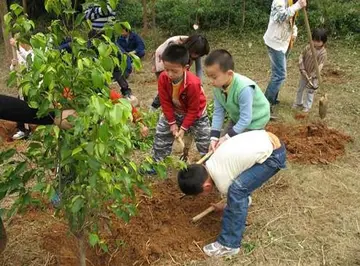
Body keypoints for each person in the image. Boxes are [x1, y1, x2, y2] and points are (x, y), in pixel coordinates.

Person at [177, 130, 286, 257]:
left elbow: (236, 195)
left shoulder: (222, 181)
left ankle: (229, 244)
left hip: (273, 156)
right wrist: (227, 205)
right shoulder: (213, 161)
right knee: (238, 190)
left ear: (206, 187)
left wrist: (230, 205)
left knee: (237, 190)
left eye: (200, 194)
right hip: (266, 138)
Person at [151, 44, 210, 165]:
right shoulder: (163, 78)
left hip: (197, 115)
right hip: (175, 110)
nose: (170, 74)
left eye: (174, 71)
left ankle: (209, 165)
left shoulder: (193, 83)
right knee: (161, 135)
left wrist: (183, 128)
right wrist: (172, 123)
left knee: (205, 141)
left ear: (185, 68)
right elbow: (165, 102)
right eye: (167, 69)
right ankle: (157, 163)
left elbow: (193, 110)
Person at [204, 49, 270, 152]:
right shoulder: (218, 86)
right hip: (238, 118)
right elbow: (218, 112)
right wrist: (214, 137)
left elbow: (246, 119)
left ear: (229, 73)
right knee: (219, 146)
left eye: (214, 77)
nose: (211, 82)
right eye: (209, 77)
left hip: (255, 120)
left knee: (241, 150)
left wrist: (227, 137)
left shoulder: (244, 89)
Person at [263, 0, 307, 114]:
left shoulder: (291, 1)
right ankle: (265, 105)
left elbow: (290, 19)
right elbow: (280, 17)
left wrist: (294, 31)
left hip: (284, 43)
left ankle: (272, 98)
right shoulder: (279, 1)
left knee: (277, 74)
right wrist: (298, 6)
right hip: (275, 43)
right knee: (280, 75)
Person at [151, 35, 210, 110]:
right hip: (163, 58)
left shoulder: (196, 51)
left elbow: (198, 69)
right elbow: (170, 64)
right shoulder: (175, 45)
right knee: (166, 86)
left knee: (180, 85)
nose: (197, 56)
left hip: (178, 63)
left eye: (199, 55)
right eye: (196, 54)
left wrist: (199, 85)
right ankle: (154, 108)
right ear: (191, 48)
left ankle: (176, 108)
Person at [293, 28, 327, 112]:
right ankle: (298, 103)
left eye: (318, 41)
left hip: (313, 76)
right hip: (304, 73)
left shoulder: (323, 53)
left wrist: (313, 75)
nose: (315, 43)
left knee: (310, 91)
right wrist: (301, 66)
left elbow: (320, 65)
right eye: (314, 40)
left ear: (323, 41)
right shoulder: (308, 47)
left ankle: (307, 106)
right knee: (300, 88)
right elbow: (301, 55)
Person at [9, 38, 34, 140]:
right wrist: (13, 65)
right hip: (22, 86)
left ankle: (28, 129)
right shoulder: (18, 53)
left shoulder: (31, 53)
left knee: (28, 107)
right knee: (19, 106)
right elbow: (13, 70)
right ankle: (23, 129)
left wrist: (17, 46)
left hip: (32, 85)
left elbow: (29, 61)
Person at [113, 22, 145, 98]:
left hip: (133, 53)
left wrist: (133, 52)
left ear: (127, 31)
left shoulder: (135, 36)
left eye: (122, 31)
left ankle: (129, 66)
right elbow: (118, 49)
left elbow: (141, 46)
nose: (121, 33)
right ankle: (127, 66)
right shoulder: (119, 38)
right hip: (125, 54)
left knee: (142, 52)